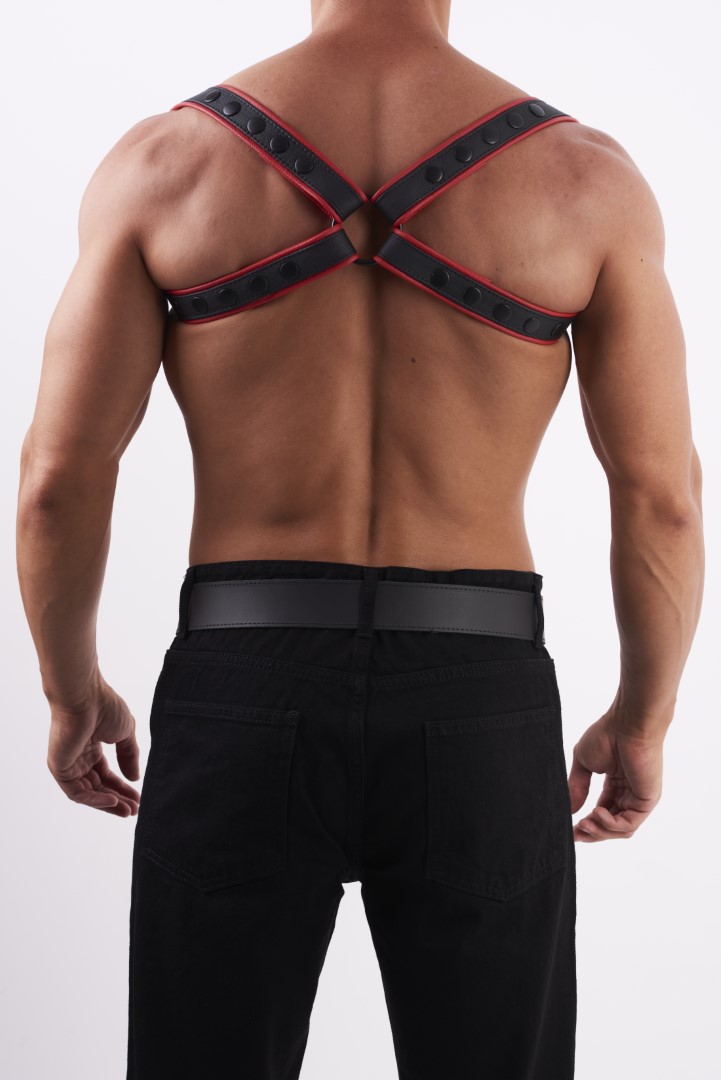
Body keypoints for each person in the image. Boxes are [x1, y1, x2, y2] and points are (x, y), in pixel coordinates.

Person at [16, 1, 704, 1077]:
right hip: (478, 697)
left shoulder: (166, 165)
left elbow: (58, 481)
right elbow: (661, 496)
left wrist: (71, 692)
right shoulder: (584, 181)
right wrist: (643, 719)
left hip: (243, 685)